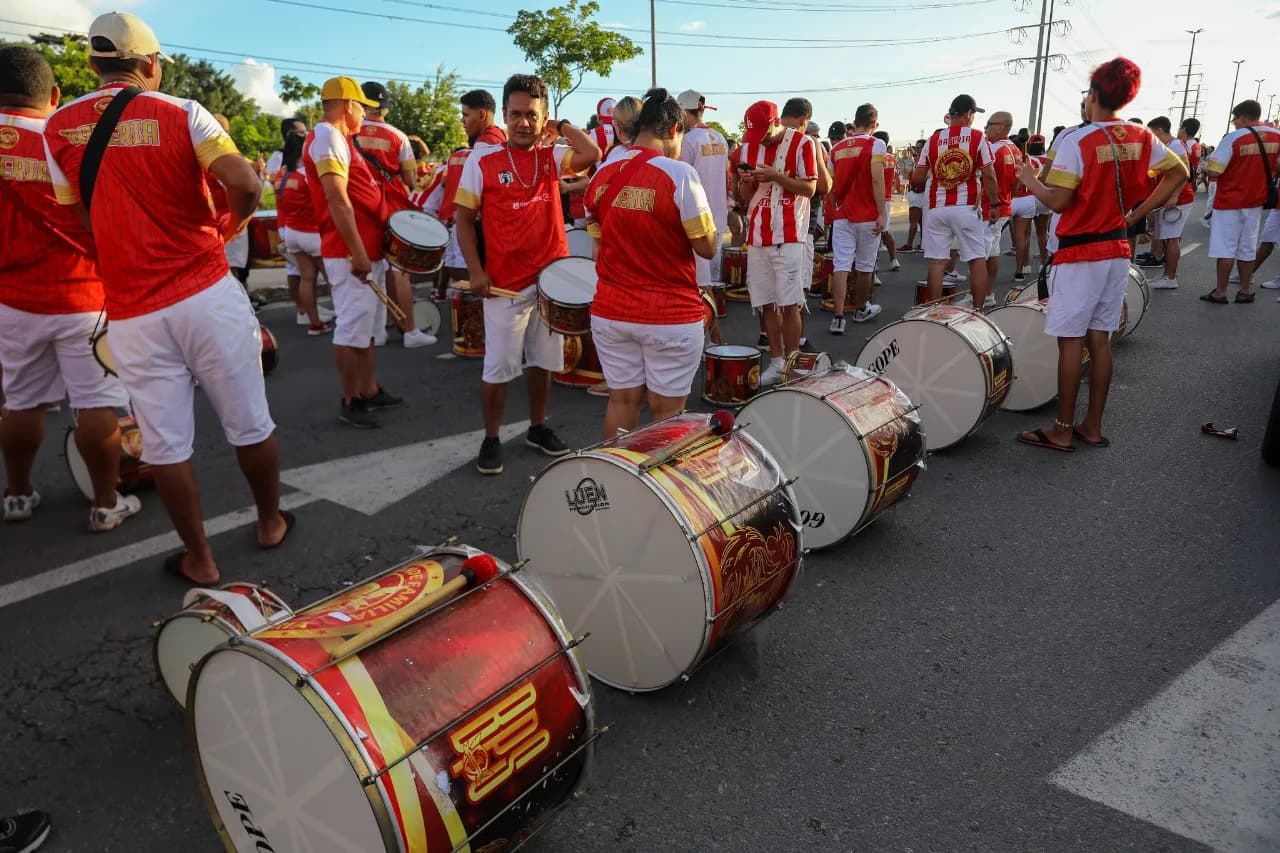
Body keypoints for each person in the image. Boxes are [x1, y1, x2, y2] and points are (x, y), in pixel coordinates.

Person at [43, 11, 290, 583]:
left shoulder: (59, 128)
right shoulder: (184, 112)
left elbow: (74, 217)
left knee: (165, 443)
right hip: (206, 292)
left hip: (132, 311)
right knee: (250, 423)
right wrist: (226, 230)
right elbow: (248, 184)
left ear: (92, 62)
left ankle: (199, 559)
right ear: (149, 64)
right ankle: (270, 522)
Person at [0, 45, 140, 529]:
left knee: (19, 401)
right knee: (96, 403)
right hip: (84, 296)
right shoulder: (65, 137)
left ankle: (17, 495)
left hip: (12, 300)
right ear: (55, 94)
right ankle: (105, 504)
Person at [1015, 57, 1185, 452]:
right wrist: (1137, 213)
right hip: (1116, 249)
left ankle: (1061, 427)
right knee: (1101, 340)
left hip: (1079, 253)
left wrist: (1028, 180)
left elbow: (1057, 202)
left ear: (1093, 95)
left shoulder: (1077, 139)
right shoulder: (1142, 136)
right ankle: (1092, 426)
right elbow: (1179, 171)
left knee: (1071, 341)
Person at [455, 73, 600, 475]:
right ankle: (491, 437)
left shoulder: (551, 156)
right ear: (503, 115)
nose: (523, 122)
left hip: (551, 283)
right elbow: (463, 220)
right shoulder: (481, 160)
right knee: (498, 368)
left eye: (531, 115)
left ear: (542, 118)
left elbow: (592, 152)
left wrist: (563, 126)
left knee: (544, 362)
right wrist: (476, 271)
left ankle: (538, 427)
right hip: (504, 285)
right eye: (515, 114)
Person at [586, 88, 717, 437]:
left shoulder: (603, 173)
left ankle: (617, 480)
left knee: (621, 402)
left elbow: (599, 241)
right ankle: (659, 492)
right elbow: (706, 247)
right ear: (673, 128)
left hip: (611, 311)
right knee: (669, 413)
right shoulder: (679, 174)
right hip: (669, 315)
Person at [303, 76, 405, 427]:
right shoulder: (328, 137)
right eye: (362, 105)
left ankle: (369, 389)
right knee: (351, 330)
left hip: (364, 250)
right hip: (349, 253)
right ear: (348, 105)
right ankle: (350, 400)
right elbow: (337, 199)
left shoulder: (339, 138)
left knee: (368, 329)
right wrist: (358, 251)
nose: (364, 112)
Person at [734, 100, 818, 385]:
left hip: (789, 234)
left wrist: (776, 177)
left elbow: (810, 188)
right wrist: (746, 180)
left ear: (776, 122)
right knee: (767, 302)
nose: (759, 140)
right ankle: (777, 361)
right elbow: (745, 197)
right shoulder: (748, 147)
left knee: (790, 303)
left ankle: (792, 365)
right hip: (757, 236)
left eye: (762, 132)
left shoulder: (803, 143)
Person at [355, 81, 435, 348]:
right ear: (385, 108)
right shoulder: (398, 136)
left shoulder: (348, 134)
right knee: (398, 270)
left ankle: (376, 331)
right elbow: (411, 179)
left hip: (358, 209)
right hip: (391, 211)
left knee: (370, 272)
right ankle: (410, 331)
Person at [911, 95, 998, 306]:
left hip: (936, 207)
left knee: (938, 261)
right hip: (967, 207)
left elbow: (918, 178)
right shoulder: (977, 137)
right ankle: (977, 311)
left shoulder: (933, 140)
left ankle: (933, 312)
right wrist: (995, 204)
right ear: (969, 114)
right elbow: (989, 175)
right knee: (977, 259)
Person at [1203, 100, 1280, 304]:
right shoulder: (1276, 136)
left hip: (1229, 201)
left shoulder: (1234, 138)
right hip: (1255, 202)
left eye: (1235, 118)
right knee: (1247, 247)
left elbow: (1214, 170)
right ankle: (1245, 291)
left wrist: (1207, 167)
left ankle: (1220, 292)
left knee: (1225, 249)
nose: (1235, 123)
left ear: (1244, 117)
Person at [828, 104, 887, 333]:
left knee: (841, 264)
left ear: (854, 122)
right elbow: (876, 180)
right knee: (865, 266)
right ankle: (861, 308)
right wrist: (881, 212)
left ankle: (838, 317)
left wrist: (835, 205)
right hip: (868, 214)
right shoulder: (876, 144)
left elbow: (831, 184)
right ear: (875, 124)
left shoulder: (837, 148)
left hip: (843, 214)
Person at [273, 128, 331, 334]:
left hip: (292, 232)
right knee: (334, 279)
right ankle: (346, 322)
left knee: (306, 278)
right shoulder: (308, 174)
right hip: (313, 233)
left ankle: (314, 323)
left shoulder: (281, 175)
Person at [677, 89, 729, 287]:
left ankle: (706, 316)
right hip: (718, 213)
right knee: (714, 278)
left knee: (700, 281)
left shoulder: (688, 141)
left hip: (698, 216)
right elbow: (725, 174)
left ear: (683, 112)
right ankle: (716, 313)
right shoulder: (720, 137)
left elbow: (682, 178)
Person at [1144, 116, 1195, 289]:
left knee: (1171, 239)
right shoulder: (1168, 146)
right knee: (1167, 239)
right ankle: (1167, 275)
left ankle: (1170, 278)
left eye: (1151, 132)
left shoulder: (1175, 145)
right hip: (1169, 200)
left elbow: (1185, 172)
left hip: (1178, 201)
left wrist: (1174, 196)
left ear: (1159, 130)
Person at [980, 110, 1019, 303]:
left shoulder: (993, 149)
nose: (985, 128)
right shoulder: (1015, 149)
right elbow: (1016, 185)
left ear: (1002, 127)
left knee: (980, 257)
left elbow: (985, 176)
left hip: (991, 209)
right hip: (1003, 206)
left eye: (989, 124)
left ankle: (976, 297)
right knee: (992, 253)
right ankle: (987, 294)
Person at [1010, 133, 1051, 281]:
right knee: (1042, 233)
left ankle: (1025, 266)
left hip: (1029, 196)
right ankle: (1044, 265)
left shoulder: (1026, 159)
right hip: (1044, 196)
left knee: (1024, 234)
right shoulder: (1048, 159)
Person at [872, 129, 900, 272]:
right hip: (888, 197)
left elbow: (875, 179)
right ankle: (893, 259)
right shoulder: (892, 158)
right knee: (886, 231)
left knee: (875, 232)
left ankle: (874, 264)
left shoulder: (876, 157)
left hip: (877, 197)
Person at [902, 139, 926, 251]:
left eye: (919, 147)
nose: (916, 150)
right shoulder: (919, 160)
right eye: (916, 148)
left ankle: (909, 245)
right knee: (921, 221)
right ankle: (923, 244)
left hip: (919, 193)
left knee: (914, 221)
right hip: (918, 193)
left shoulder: (924, 159)